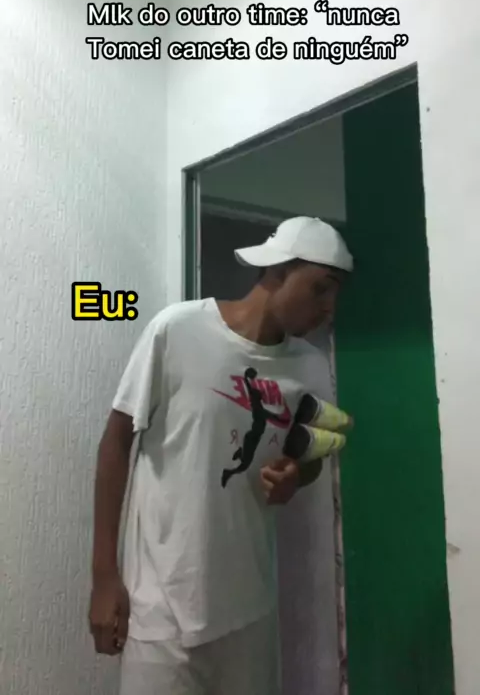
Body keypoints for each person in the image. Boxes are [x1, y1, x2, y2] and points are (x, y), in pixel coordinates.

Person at [89, 215, 353, 695]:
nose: (329, 307)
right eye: (320, 288)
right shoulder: (177, 330)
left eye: (336, 294)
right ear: (277, 271)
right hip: (160, 610)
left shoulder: (309, 367)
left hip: (249, 611)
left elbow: (310, 456)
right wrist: (104, 577)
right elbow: (116, 442)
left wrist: (297, 475)